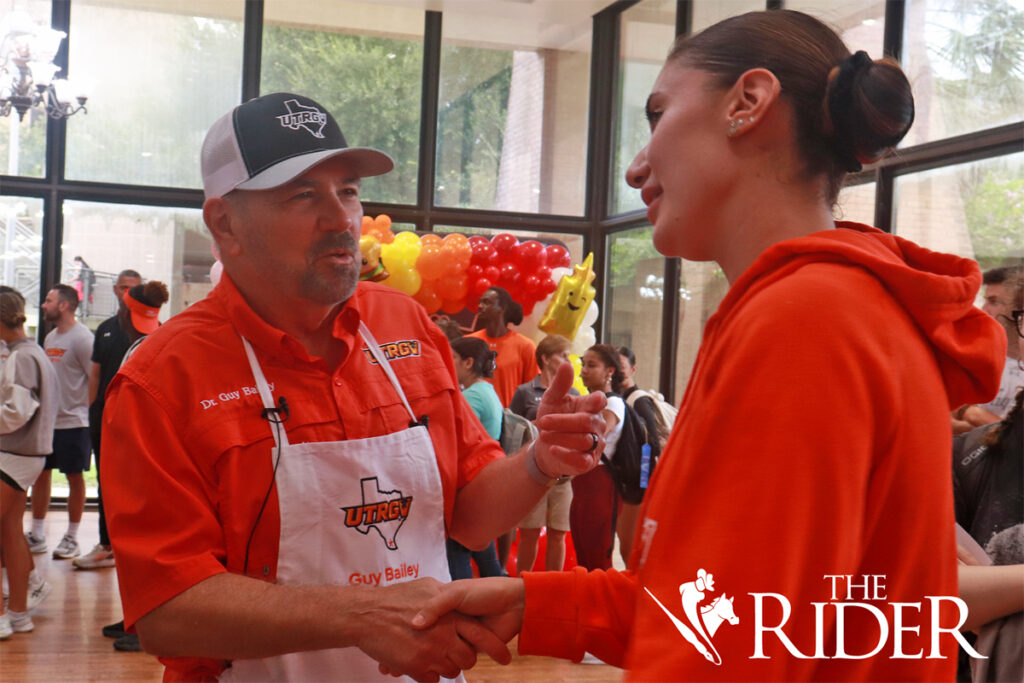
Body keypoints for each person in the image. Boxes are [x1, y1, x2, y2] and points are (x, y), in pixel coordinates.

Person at [408, 10, 1006, 681]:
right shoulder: (820, 307)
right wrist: (535, 600)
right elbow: (735, 612)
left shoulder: (806, 318)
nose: (636, 167)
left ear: (748, 103)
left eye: (658, 114)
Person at [100, 91, 607, 681]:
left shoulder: (404, 324)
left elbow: (467, 517)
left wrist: (541, 462)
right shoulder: (162, 378)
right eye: (303, 195)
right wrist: (362, 616)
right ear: (225, 223)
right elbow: (168, 610)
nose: (342, 218)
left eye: (347, 190)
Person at [74, 269, 141, 571]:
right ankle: (106, 544)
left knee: (139, 483)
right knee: (106, 481)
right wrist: (92, 408)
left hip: (137, 421)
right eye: (123, 287)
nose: (127, 293)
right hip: (103, 417)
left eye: (133, 288)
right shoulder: (104, 328)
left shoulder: (153, 330)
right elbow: (96, 373)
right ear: (115, 289)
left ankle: (138, 548)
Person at [0, 286, 58, 639]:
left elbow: (17, 412)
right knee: (10, 532)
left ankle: (6, 618)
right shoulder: (34, 351)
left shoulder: (22, 357)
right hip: (27, 455)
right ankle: (19, 615)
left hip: (14, 455)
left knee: (8, 534)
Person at [27, 284, 93, 560]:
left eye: (48, 300)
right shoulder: (51, 337)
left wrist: (81, 410)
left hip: (75, 424)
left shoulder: (83, 338)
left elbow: (95, 381)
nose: (44, 305)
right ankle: (37, 533)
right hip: (48, 423)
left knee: (75, 478)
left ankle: (71, 537)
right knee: (41, 476)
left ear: (63, 305)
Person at [510, 334, 576, 574]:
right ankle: (521, 583)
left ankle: (553, 584)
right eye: (563, 355)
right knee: (529, 533)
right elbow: (513, 430)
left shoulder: (574, 393)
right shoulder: (525, 392)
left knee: (559, 533)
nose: (568, 361)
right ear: (546, 358)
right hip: (533, 473)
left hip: (564, 475)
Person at [446, 337, 506, 581]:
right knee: (484, 554)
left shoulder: (472, 397)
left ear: (468, 362)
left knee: (458, 550)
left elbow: (452, 437)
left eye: (453, 358)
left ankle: (465, 608)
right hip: (483, 479)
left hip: (470, 481)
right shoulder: (486, 390)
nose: (448, 363)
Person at [570, 344, 626, 572]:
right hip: (582, 485)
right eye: (583, 364)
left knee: (597, 559)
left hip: (601, 485)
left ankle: (600, 606)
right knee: (584, 557)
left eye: (591, 365)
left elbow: (594, 437)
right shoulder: (589, 402)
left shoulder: (612, 403)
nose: (583, 371)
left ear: (609, 371)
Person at [955, 265, 1024, 431]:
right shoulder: (968, 355)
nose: (983, 309)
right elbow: (944, 422)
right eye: (985, 300)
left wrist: (971, 413)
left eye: (993, 302)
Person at [468, 287, 538, 407]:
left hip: (508, 419)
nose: (480, 306)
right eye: (480, 302)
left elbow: (532, 391)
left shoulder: (525, 346)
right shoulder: (468, 342)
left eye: (486, 302)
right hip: (472, 416)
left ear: (502, 308)